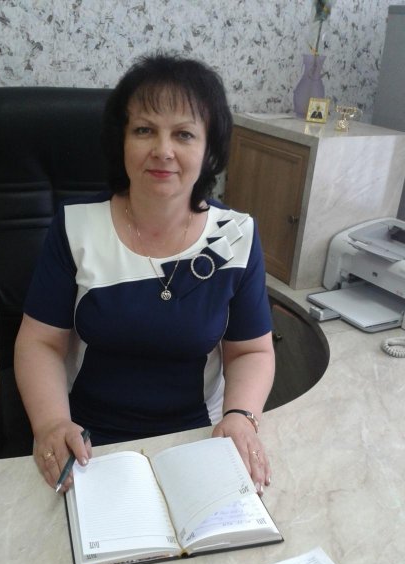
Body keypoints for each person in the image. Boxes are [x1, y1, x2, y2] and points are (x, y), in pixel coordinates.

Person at [14, 53, 275, 495]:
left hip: (201, 435)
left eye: (184, 134)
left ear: (209, 149)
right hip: (88, 439)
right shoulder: (76, 227)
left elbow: (251, 351)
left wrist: (241, 417)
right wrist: (52, 423)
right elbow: (41, 342)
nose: (163, 150)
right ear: (121, 140)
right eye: (144, 130)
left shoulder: (235, 236)